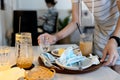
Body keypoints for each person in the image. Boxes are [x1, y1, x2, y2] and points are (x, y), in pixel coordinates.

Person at [38, 0, 120, 73]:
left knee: (117, 69)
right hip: (101, 33)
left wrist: (114, 40)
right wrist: (55, 37)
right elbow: (75, 22)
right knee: (102, 71)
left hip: (118, 32)